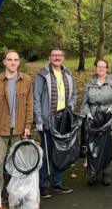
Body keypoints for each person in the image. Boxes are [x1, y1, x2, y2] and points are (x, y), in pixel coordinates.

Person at [0, 50, 33, 206]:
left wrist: (28, 125)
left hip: (19, 130)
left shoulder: (26, 80)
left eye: (16, 60)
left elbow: (29, 105)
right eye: (10, 59)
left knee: (19, 165)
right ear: (4, 62)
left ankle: (16, 194)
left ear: (19, 62)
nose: (13, 62)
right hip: (0, 131)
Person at [33, 48, 76, 199]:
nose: (57, 58)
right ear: (49, 57)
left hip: (62, 120)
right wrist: (38, 119)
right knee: (45, 154)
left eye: (60, 55)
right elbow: (36, 98)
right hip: (46, 120)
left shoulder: (68, 73)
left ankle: (57, 183)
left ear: (63, 57)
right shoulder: (42, 74)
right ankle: (44, 185)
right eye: (54, 55)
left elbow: (74, 95)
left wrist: (70, 108)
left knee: (59, 153)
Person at [81, 59, 112, 185]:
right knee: (93, 147)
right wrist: (88, 113)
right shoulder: (89, 84)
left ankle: (106, 173)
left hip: (109, 119)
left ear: (107, 68)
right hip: (93, 120)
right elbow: (84, 104)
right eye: (98, 66)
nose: (100, 68)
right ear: (96, 68)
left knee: (106, 147)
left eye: (103, 67)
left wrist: (110, 109)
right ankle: (93, 172)